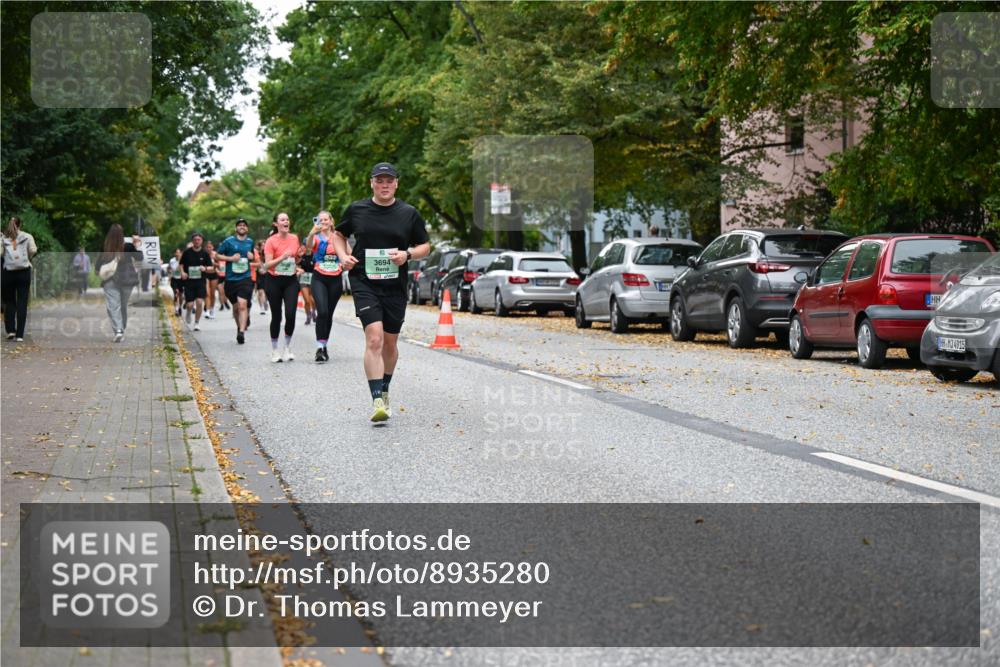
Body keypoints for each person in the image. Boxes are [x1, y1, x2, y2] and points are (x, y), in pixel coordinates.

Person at [333, 162, 430, 422]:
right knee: (374, 338)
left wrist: (407, 254)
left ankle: (385, 388)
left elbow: (424, 246)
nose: (384, 185)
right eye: (380, 180)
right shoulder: (357, 209)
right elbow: (338, 234)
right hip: (364, 281)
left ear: (396, 183)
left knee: (389, 343)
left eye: (389, 180)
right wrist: (343, 256)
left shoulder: (409, 213)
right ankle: (377, 399)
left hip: (395, 285)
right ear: (372, 183)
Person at [304, 211, 347, 363]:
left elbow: (348, 253)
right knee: (322, 311)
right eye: (320, 220)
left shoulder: (338, 236)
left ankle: (324, 345)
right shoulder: (315, 237)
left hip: (335, 278)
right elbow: (308, 248)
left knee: (328, 314)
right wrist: (311, 233)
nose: (323, 222)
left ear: (331, 221)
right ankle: (319, 348)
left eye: (326, 219)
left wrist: (344, 260)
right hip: (319, 278)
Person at [262, 213, 302, 362]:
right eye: (282, 219)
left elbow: (295, 259)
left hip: (290, 280)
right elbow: (266, 265)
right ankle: (274, 350)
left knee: (291, 314)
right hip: (274, 280)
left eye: (287, 219)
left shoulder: (294, 238)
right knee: (276, 316)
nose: (286, 221)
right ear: (276, 224)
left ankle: (287, 347)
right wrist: (282, 258)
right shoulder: (270, 241)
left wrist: (299, 256)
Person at [95, 225, 141, 342]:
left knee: (113, 306)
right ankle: (121, 329)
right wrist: (137, 245)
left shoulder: (105, 246)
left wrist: (98, 271)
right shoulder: (128, 246)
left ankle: (119, 330)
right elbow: (140, 258)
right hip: (127, 280)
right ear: (122, 234)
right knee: (122, 306)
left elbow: (99, 262)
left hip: (109, 279)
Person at [216, 218, 256, 344]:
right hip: (231, 279)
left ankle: (242, 332)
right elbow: (217, 255)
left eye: (244, 225)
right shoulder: (228, 242)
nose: (242, 227)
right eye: (239, 225)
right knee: (235, 308)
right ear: (236, 228)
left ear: (247, 229)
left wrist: (252, 257)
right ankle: (239, 327)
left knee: (242, 305)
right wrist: (230, 258)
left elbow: (252, 257)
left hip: (245, 278)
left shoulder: (250, 242)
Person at [2, 216, 38, 341]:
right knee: (22, 302)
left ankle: (11, 330)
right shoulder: (27, 236)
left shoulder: (3, 238)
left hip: (8, 273)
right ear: (20, 224)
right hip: (24, 271)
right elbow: (33, 250)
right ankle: (20, 335)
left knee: (9, 301)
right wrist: (26, 257)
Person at [180, 233, 212, 331]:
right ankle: (189, 312)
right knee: (189, 305)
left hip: (200, 281)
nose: (197, 241)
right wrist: (182, 273)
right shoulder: (187, 252)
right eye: (195, 240)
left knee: (199, 302)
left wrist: (205, 268)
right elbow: (181, 264)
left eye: (199, 239)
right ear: (192, 241)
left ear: (202, 241)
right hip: (189, 282)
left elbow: (211, 267)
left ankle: (197, 322)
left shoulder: (205, 253)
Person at [297, 242, 316, 326]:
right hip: (303, 279)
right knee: (307, 300)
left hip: (313, 279)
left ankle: (313, 312)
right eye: (304, 247)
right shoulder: (301, 257)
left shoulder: (314, 256)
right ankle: (308, 316)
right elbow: (294, 264)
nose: (305, 248)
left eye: (308, 246)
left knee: (313, 299)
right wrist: (299, 270)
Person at [203, 240, 219, 318]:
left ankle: (212, 309)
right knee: (207, 293)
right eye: (207, 247)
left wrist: (214, 263)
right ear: (205, 248)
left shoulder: (215, 254)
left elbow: (220, 265)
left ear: (212, 247)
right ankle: (207, 311)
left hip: (214, 275)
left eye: (210, 247)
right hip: (206, 275)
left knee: (212, 294)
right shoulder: (203, 255)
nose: (209, 248)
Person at [254, 239, 269, 315]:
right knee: (260, 291)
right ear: (259, 246)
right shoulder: (256, 254)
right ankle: (262, 307)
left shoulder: (268, 253)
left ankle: (265, 301)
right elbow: (254, 263)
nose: (264, 246)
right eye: (262, 245)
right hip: (258, 274)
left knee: (266, 291)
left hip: (267, 273)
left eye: (265, 244)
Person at [168, 247, 184, 315]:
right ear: (174, 254)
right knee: (176, 293)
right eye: (176, 252)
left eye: (179, 252)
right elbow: (169, 269)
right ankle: (176, 309)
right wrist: (170, 272)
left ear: (181, 253)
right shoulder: (172, 260)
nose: (177, 254)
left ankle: (180, 307)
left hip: (181, 279)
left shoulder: (183, 261)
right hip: (174, 279)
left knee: (181, 295)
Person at [215, 245, 230, 312]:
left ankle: (226, 302)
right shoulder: (218, 258)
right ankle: (221, 305)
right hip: (220, 276)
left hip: (226, 276)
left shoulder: (228, 257)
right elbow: (214, 267)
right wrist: (217, 271)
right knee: (220, 291)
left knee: (225, 291)